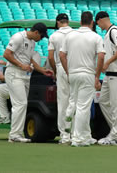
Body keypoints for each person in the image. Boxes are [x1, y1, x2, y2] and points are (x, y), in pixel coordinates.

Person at [59, 11, 105, 147]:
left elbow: (62, 55)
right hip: (87, 74)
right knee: (83, 107)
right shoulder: (96, 37)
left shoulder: (70, 35)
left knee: (73, 102)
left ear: (80, 22)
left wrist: (68, 71)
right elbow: (101, 57)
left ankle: (81, 135)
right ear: (92, 23)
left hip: (73, 74)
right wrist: (97, 76)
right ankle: (77, 138)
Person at [3, 22, 53, 143]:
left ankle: (17, 134)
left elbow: (30, 59)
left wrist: (42, 70)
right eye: (41, 36)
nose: (41, 39)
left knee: (22, 104)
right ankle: (14, 134)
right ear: (36, 32)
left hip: (24, 75)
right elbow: (6, 54)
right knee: (20, 103)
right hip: (14, 73)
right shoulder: (18, 37)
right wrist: (21, 65)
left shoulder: (32, 42)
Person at [94, 11, 117, 146]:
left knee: (115, 104)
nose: (98, 26)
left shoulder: (114, 31)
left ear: (101, 20)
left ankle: (115, 136)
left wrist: (107, 62)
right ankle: (114, 131)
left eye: (98, 23)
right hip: (109, 73)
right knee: (103, 101)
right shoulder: (108, 33)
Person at [48, 13, 74, 144]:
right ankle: (76, 133)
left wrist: (55, 70)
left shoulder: (54, 36)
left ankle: (65, 135)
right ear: (67, 21)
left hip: (61, 67)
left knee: (63, 101)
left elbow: (51, 57)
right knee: (74, 100)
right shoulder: (75, 34)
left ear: (58, 22)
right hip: (74, 66)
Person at [0, 52, 42, 125]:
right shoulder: (36, 54)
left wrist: (4, 78)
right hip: (29, 84)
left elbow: (26, 72)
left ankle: (5, 117)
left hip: (24, 85)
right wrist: (5, 64)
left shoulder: (26, 54)